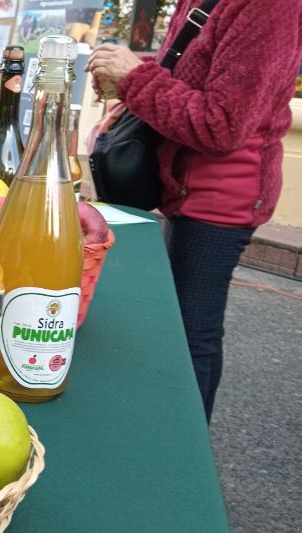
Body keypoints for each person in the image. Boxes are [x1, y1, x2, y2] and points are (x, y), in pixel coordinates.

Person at [87, 0, 302, 422]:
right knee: (184, 327)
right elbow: (191, 72)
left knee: (192, 333)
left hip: (223, 197)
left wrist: (135, 76)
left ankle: (186, 452)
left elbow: (221, 124)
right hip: (184, 186)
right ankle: (173, 428)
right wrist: (127, 73)